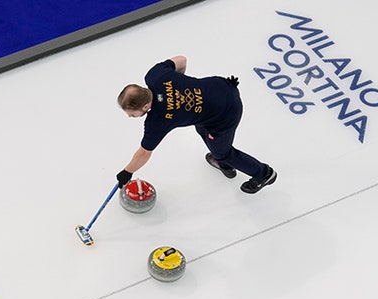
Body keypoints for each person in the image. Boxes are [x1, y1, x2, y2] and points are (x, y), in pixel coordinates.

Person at [116, 55, 276, 195]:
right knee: (200, 125)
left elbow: (144, 153)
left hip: (226, 112)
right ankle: (222, 158)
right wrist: (179, 87)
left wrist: (127, 171)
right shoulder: (155, 75)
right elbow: (181, 60)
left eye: (131, 113)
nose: (130, 116)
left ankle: (263, 173)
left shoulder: (157, 120)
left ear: (145, 106)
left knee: (223, 152)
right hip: (222, 87)